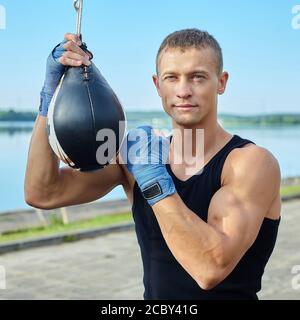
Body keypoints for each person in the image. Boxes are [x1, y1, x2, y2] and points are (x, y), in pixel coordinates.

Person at [25, 28, 281, 300]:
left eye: (197, 77)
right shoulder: (137, 157)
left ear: (221, 82)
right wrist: (50, 99)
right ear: (158, 85)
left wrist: (152, 179)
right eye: (172, 78)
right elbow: (42, 192)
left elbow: (209, 268)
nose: (183, 91)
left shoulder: (250, 163)